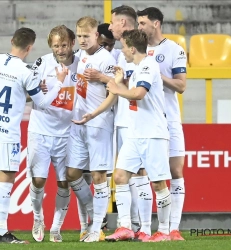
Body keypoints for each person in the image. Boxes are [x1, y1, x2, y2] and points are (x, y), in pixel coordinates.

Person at [0, 27, 65, 244]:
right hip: (7, 133)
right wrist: (59, 83)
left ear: (12, 41)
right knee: (6, 180)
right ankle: (2, 231)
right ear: (30, 48)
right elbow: (43, 104)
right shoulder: (26, 71)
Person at [73, 29, 172, 242]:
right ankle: (125, 226)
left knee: (158, 183)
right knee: (119, 177)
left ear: (133, 48)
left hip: (153, 134)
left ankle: (164, 231)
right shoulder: (135, 68)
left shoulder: (148, 65)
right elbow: (121, 91)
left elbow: (138, 94)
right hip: (135, 134)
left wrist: (117, 88)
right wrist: (94, 112)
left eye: (125, 47)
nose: (122, 51)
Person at [137, 7, 187, 241]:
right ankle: (147, 228)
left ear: (156, 24)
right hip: (147, 121)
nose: (139, 28)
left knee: (175, 170)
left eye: (143, 23)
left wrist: (156, 74)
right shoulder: (137, 50)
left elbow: (181, 85)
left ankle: (174, 228)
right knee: (147, 173)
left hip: (170, 118)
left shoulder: (174, 50)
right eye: (138, 23)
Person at [65, 16, 116, 243]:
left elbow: (115, 93)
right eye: (79, 36)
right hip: (78, 123)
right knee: (73, 174)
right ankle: (95, 218)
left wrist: (94, 114)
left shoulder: (107, 58)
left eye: (87, 36)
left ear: (97, 35)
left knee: (98, 176)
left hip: (98, 123)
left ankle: (95, 229)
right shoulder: (80, 56)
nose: (82, 40)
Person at [27, 25, 79, 243]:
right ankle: (38, 218)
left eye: (64, 45)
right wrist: (36, 91)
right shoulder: (42, 63)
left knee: (64, 182)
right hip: (40, 130)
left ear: (72, 44)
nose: (60, 49)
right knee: (38, 180)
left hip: (67, 133)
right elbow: (27, 95)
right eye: (56, 45)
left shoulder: (81, 64)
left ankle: (56, 228)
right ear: (51, 46)